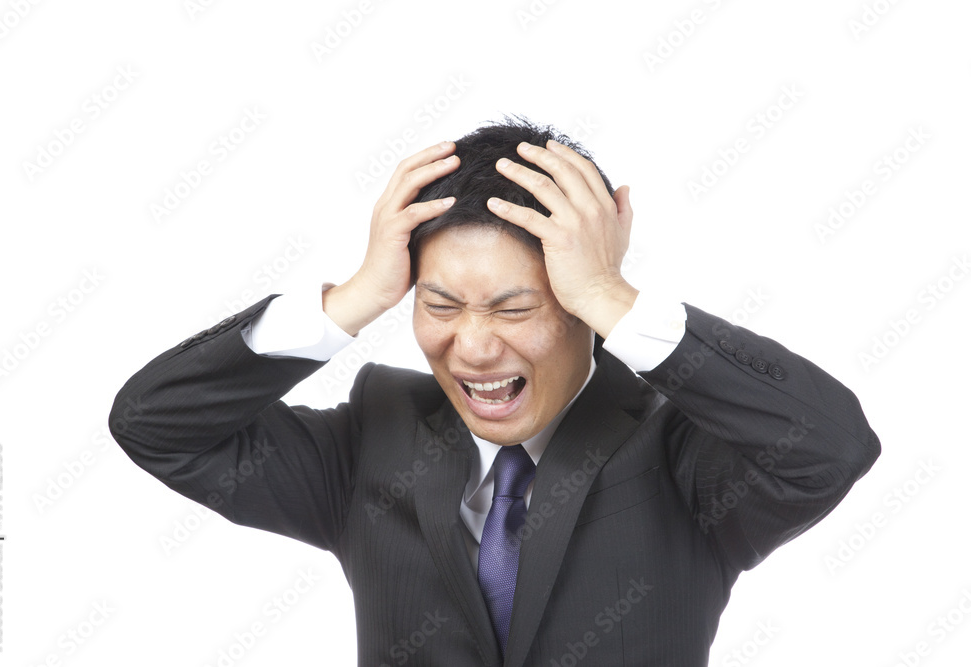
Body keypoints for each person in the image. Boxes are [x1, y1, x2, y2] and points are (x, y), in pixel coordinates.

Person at [109, 116, 880, 666]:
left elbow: (831, 447)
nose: (473, 346)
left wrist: (612, 295)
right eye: (441, 305)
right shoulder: (371, 442)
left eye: (515, 309)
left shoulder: (683, 459)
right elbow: (155, 423)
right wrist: (355, 296)